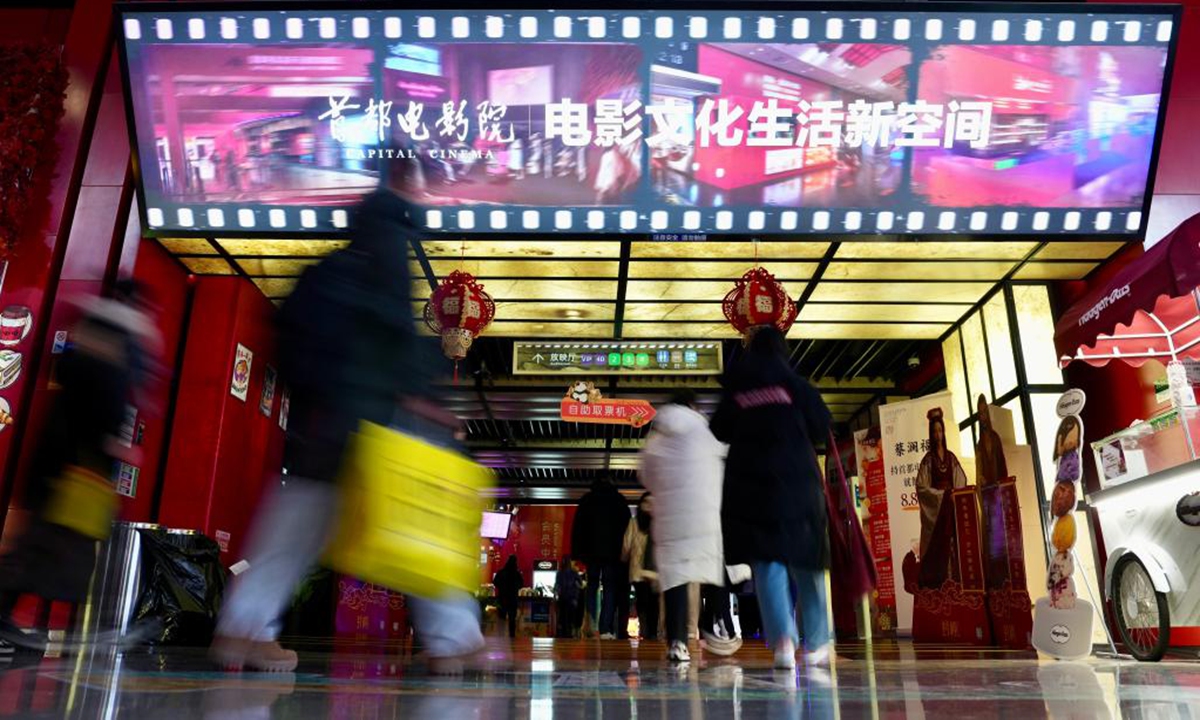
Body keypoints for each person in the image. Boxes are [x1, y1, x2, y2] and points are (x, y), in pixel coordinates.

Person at [210, 167, 485, 673]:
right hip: (377, 423)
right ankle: (456, 640)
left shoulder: (326, 272)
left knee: (294, 530)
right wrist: (419, 396)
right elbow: (395, 339)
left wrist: (314, 398)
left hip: (329, 424)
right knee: (418, 528)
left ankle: (242, 631)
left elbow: (288, 338)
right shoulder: (390, 257)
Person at [0, 282, 161, 651]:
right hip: (78, 472)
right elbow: (103, 412)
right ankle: (59, 625)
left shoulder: (84, 342)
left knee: (43, 547)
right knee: (60, 551)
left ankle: (12, 619)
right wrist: (115, 445)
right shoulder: (116, 353)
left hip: (55, 467)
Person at [711, 325, 833, 670]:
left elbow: (718, 429)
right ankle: (818, 641)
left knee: (768, 563)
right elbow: (823, 426)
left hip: (753, 491)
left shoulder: (739, 388)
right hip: (799, 488)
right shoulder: (797, 386)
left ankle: (781, 641)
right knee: (808, 563)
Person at [639, 388, 742, 663]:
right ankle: (716, 625)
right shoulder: (704, 430)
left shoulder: (656, 438)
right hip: (704, 515)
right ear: (692, 406)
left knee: (675, 580)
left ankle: (677, 643)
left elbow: (646, 476)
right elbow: (725, 457)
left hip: (670, 520)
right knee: (712, 570)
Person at [570, 478, 631, 640]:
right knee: (610, 589)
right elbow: (626, 528)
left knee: (592, 586)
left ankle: (591, 625)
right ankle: (605, 629)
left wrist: (576, 553)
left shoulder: (587, 500)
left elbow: (578, 527)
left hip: (591, 553)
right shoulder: (619, 500)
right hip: (612, 555)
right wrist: (625, 555)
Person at [915, 408, 969, 590]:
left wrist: (955, 495)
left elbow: (961, 480)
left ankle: (955, 583)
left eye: (940, 430)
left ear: (944, 432)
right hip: (939, 511)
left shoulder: (950, 457)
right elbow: (922, 488)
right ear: (931, 434)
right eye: (935, 431)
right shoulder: (928, 460)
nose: (938, 434)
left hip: (951, 509)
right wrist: (944, 496)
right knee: (938, 550)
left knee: (954, 546)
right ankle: (939, 586)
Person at [622, 493, 659, 642]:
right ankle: (647, 631)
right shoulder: (635, 522)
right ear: (641, 505)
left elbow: (626, 545)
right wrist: (624, 558)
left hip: (655, 570)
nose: (649, 505)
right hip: (639, 571)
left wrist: (624, 558)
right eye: (646, 502)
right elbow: (626, 544)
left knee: (652, 602)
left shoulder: (659, 523)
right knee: (645, 601)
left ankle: (652, 631)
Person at [974, 395, 1008, 487]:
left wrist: (1004, 484)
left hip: (999, 487)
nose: (983, 416)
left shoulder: (995, 438)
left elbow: (1002, 463)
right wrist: (980, 478)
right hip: (987, 490)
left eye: (984, 412)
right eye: (980, 413)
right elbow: (979, 472)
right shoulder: (979, 444)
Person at [493, 556, 523, 639]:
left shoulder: (501, 572)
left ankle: (500, 635)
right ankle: (512, 636)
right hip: (513, 599)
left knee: (501, 618)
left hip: (502, 598)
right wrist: (515, 588)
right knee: (512, 619)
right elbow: (521, 584)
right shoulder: (516, 574)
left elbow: (495, 582)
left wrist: (501, 588)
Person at [554, 555, 583, 639]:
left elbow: (557, 585)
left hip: (562, 597)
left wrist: (556, 593)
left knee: (562, 617)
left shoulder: (559, 573)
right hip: (572, 598)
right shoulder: (574, 573)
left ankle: (563, 634)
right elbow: (580, 584)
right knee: (571, 617)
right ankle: (569, 634)